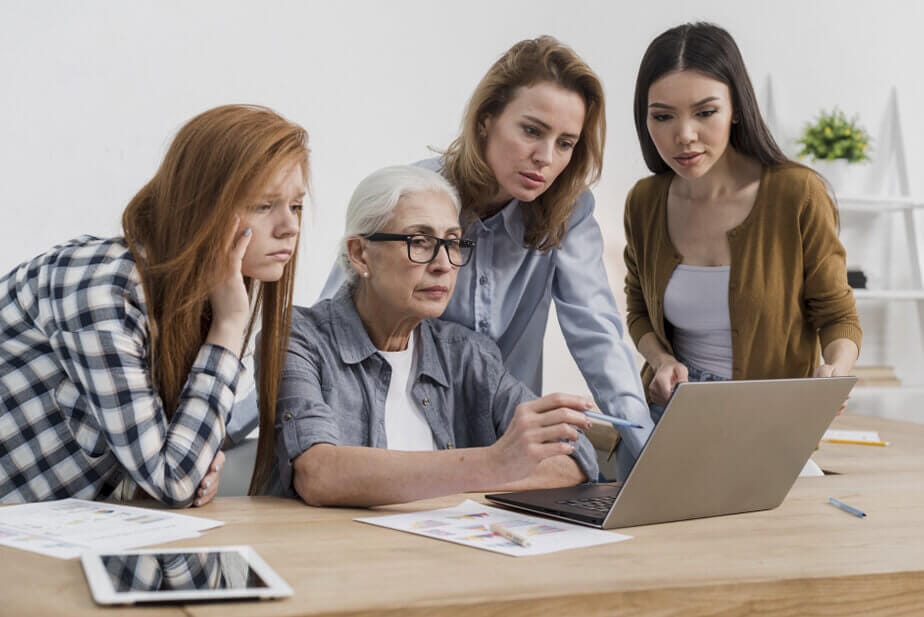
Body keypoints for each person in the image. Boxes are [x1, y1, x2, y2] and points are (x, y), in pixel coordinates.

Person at [321, 36, 651, 479]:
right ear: (486, 120)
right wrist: (234, 429)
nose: (545, 159)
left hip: (505, 443)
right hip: (403, 444)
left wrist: (650, 452)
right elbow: (330, 323)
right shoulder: (417, 196)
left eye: (566, 143)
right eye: (532, 130)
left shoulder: (568, 211)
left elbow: (599, 336)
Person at [0, 104, 309, 505]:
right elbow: (172, 480)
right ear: (203, 204)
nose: (291, 227)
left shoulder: (194, 299)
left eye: (296, 206)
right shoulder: (103, 291)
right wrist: (231, 324)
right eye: (264, 205)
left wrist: (196, 462)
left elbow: (169, 471)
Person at [276, 166, 598, 507]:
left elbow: (575, 458)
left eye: (453, 243)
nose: (444, 264)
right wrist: (495, 462)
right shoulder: (298, 337)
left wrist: (494, 469)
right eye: (420, 241)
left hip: (445, 555)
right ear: (360, 254)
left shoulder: (466, 353)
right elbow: (319, 474)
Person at [624, 22, 862, 422]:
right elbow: (638, 309)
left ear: (736, 108)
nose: (684, 135)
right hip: (669, 418)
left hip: (771, 423)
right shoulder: (645, 202)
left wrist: (835, 373)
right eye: (663, 116)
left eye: (705, 112)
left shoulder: (797, 193)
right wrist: (661, 359)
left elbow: (837, 315)